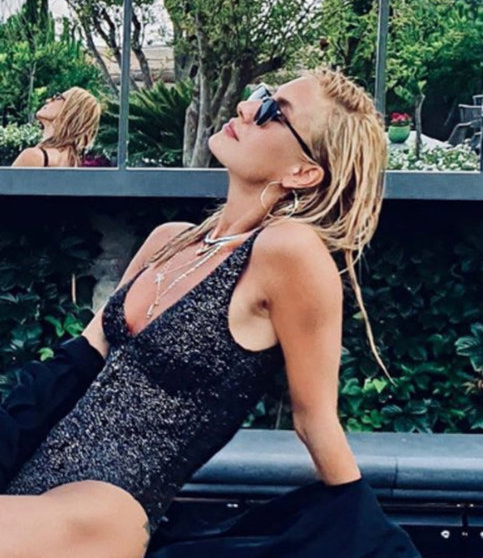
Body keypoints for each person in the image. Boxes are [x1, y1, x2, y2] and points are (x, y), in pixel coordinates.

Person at [0, 67, 421, 558]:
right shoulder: (169, 240)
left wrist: (378, 541)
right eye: (260, 95)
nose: (246, 106)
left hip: (103, 511)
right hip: (30, 490)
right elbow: (71, 368)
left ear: (303, 173)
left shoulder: (288, 251)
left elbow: (315, 421)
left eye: (273, 111)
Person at [11, 87, 101, 167]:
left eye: (58, 97)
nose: (48, 100)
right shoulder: (72, 162)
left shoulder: (34, 157)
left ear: (70, 110)